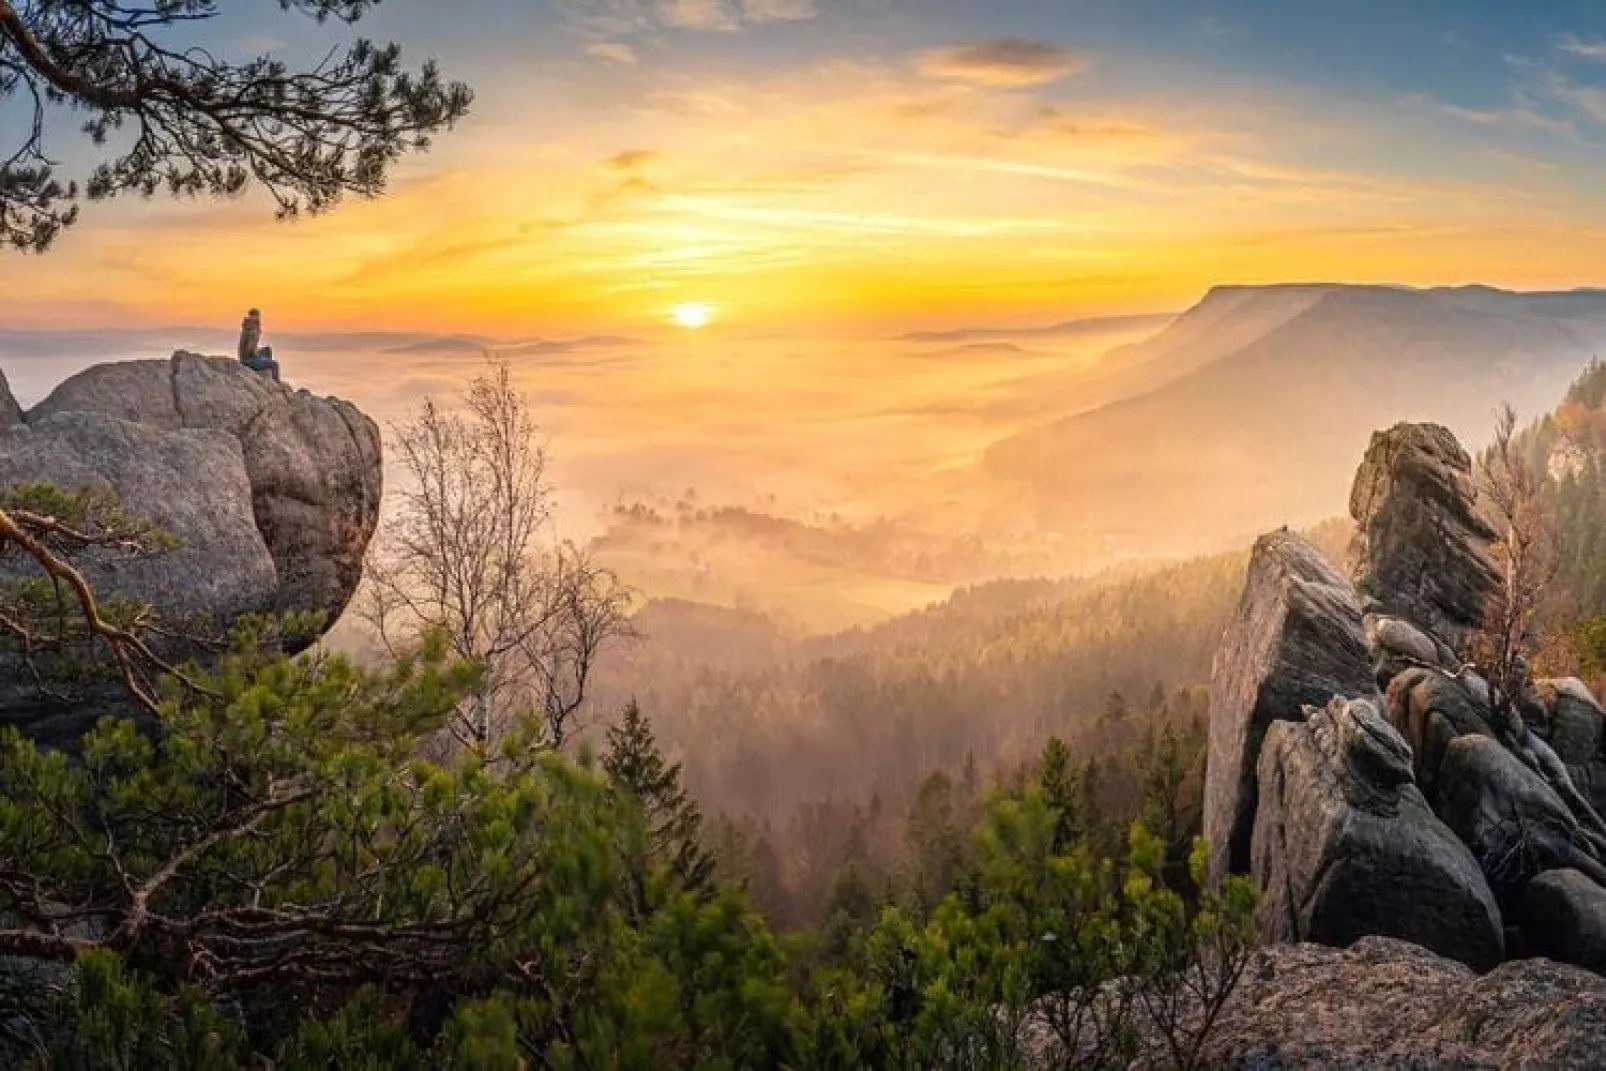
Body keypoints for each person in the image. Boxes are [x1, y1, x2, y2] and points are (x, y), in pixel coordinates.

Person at [237, 308, 282, 382]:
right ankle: (275, 382)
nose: (257, 318)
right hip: (248, 360)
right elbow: (249, 349)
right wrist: (256, 354)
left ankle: (265, 369)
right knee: (275, 364)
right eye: (255, 316)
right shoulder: (250, 330)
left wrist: (256, 351)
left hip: (248, 356)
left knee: (267, 349)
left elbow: (250, 346)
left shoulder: (251, 327)